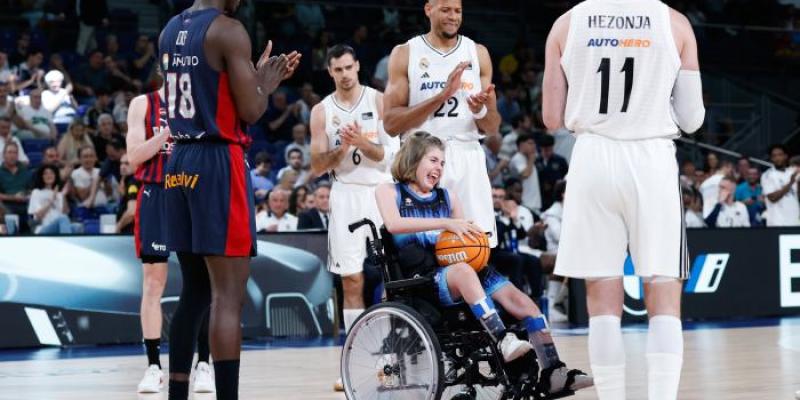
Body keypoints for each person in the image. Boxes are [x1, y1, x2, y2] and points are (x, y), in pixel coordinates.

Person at [543, 2, 705, 399]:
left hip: (593, 156)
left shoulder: (566, 23)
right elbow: (692, 118)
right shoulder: (674, 22)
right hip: (650, 158)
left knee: (602, 300)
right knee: (664, 291)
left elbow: (551, 118)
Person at [375, 132, 592, 394]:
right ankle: (503, 340)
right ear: (414, 158)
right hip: (423, 278)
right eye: (433, 160)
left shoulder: (449, 197)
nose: (438, 168)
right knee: (465, 271)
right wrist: (445, 223)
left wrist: (474, 238)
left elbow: (462, 242)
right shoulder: (389, 191)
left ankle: (554, 371)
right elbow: (393, 224)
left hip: (459, 271)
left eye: (442, 163)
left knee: (524, 303)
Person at [158, 1, 300, 398]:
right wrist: (264, 84)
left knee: (195, 291)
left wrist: (250, 78)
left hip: (179, 159)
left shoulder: (170, 28)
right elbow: (252, 110)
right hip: (217, 160)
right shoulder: (228, 29)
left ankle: (178, 394)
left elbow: (210, 89)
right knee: (228, 296)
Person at [309, 44, 399, 392]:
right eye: (338, 69)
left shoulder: (378, 101)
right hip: (344, 194)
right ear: (330, 72)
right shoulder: (322, 111)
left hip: (379, 191)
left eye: (349, 67)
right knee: (351, 281)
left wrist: (360, 141)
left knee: (389, 277)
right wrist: (343, 148)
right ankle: (352, 360)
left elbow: (389, 157)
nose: (345, 74)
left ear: (358, 66)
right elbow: (318, 166)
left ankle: (388, 361)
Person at [383, 0, 501, 248]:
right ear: (429, 9)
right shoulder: (406, 53)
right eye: (446, 10)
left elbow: (492, 127)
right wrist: (441, 96)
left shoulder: (477, 53)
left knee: (477, 246)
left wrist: (480, 111)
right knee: (422, 250)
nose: (453, 17)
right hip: (421, 157)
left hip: (467, 155)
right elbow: (391, 123)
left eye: (458, 11)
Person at [126, 87, 213, 394]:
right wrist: (168, 132)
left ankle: (204, 364)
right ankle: (153, 367)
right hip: (156, 192)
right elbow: (134, 156)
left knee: (204, 281)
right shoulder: (142, 103)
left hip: (193, 190)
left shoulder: (202, 98)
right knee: (153, 282)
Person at [761, 144, 799, 227]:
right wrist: (790, 183)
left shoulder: (792, 172)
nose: (777, 158)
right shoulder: (767, 175)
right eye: (774, 156)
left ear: (785, 156)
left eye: (780, 155)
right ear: (771, 159)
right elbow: (772, 198)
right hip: (777, 223)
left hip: (794, 221)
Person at [27, 165, 73, 234]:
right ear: (41, 177)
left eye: (51, 173)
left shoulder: (59, 194)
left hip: (58, 225)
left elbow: (65, 213)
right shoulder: (36, 192)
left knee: (77, 226)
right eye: (46, 173)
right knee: (62, 219)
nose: (49, 175)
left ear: (55, 176)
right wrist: (52, 200)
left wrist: (63, 195)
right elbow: (38, 215)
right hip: (43, 228)